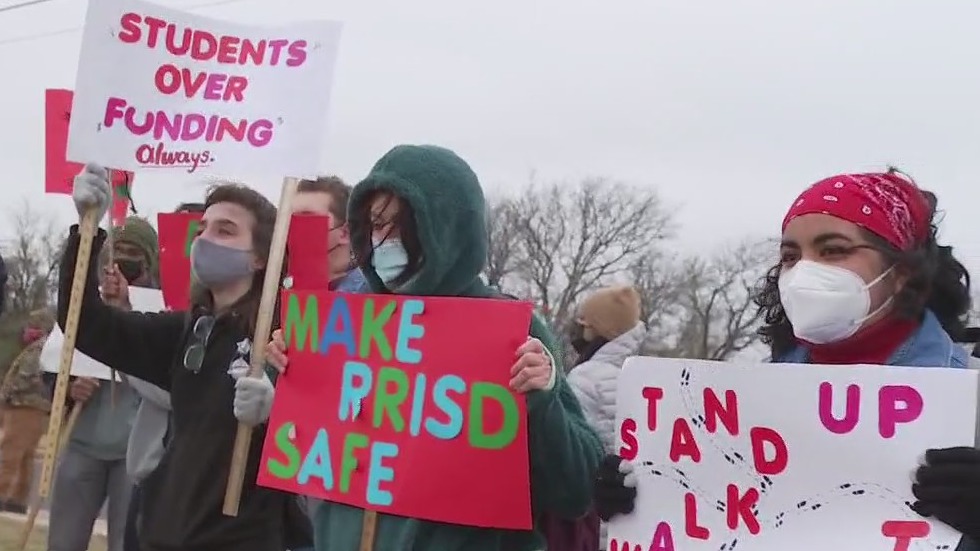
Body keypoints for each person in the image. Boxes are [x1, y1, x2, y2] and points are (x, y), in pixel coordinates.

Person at [592, 171, 980, 551]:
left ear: (901, 273)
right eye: (791, 256)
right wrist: (641, 498)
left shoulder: (968, 398)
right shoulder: (748, 404)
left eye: (833, 250)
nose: (803, 270)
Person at [255, 144, 604, 551]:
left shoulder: (510, 329)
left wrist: (541, 400)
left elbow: (577, 489)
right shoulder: (343, 326)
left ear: (446, 228)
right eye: (374, 223)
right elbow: (320, 452)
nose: (381, 240)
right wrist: (289, 370)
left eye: (400, 224)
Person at [62, 163, 299, 551]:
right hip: (167, 534)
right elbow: (87, 326)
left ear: (261, 257)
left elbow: (325, 430)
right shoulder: (186, 332)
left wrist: (277, 412)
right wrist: (86, 232)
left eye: (225, 230)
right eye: (202, 228)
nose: (205, 239)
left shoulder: (285, 335)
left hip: (242, 538)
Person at [46, 216, 155, 551]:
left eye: (133, 253)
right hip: (82, 445)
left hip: (133, 454)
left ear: (149, 262)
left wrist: (125, 310)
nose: (122, 261)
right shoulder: (81, 306)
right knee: (64, 541)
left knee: (127, 542)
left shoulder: (159, 313)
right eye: (117, 252)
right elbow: (51, 366)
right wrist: (65, 390)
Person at [118, 208, 193, 551]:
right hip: (152, 470)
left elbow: (185, 394)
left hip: (199, 482)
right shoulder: (159, 309)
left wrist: (131, 361)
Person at [564, 285, 644, 550]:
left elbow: (570, 456)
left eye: (583, 322)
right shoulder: (635, 377)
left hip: (589, 520)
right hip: (625, 524)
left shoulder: (585, 378)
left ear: (595, 328)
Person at [0, 308, 54, 513]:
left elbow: (25, 378)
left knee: (10, 452)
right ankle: (18, 499)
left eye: (33, 326)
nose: (28, 330)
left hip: (23, 405)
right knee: (26, 456)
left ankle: (2, 492)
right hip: (36, 409)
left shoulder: (38, 350)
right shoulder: (47, 349)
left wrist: (5, 395)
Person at [291, 176, 367, 292]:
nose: (295, 226)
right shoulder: (277, 289)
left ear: (345, 233)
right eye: (290, 218)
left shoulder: (371, 294)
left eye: (307, 217)